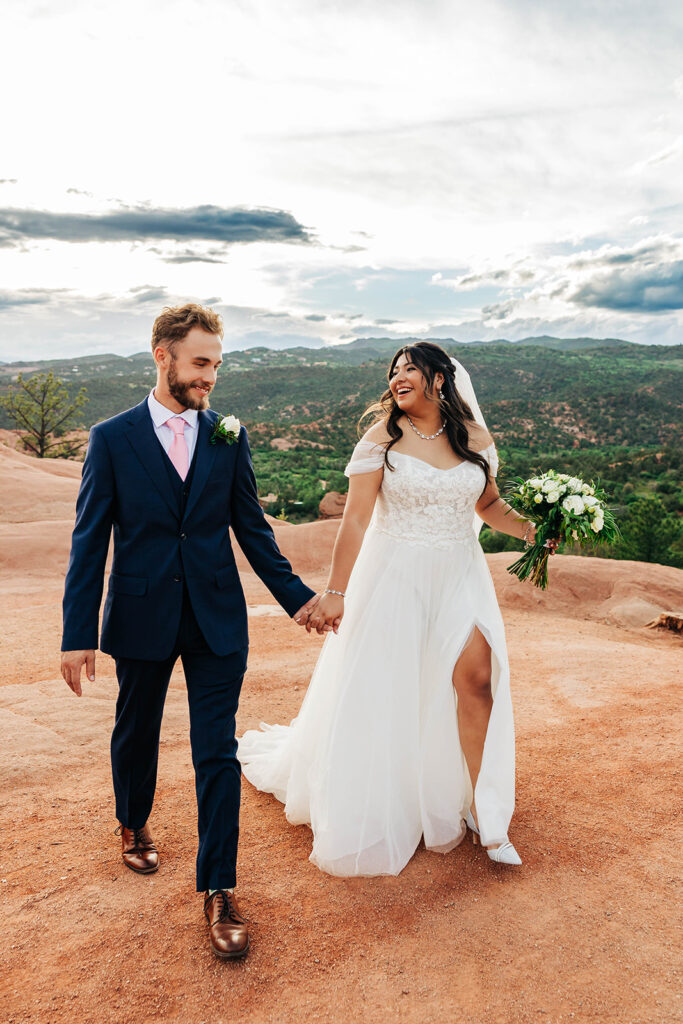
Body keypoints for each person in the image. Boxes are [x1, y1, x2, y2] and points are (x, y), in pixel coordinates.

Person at [60, 303, 319, 960]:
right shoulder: (111, 438)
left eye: (216, 366)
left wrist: (298, 600)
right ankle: (132, 821)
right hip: (140, 614)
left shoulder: (228, 436)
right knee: (136, 729)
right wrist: (76, 632)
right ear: (163, 356)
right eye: (200, 363)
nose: (209, 378)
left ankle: (219, 889)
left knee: (216, 751)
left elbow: (252, 531)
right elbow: (90, 541)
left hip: (215, 618)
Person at [239, 341, 555, 876]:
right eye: (394, 370)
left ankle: (485, 809)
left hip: (460, 573)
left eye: (410, 368)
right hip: (394, 577)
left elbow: (489, 505)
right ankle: (386, 799)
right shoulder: (380, 438)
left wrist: (535, 531)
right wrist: (337, 591)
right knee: (390, 687)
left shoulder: (474, 437)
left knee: (477, 679)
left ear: (440, 379)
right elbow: (357, 519)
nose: (398, 377)